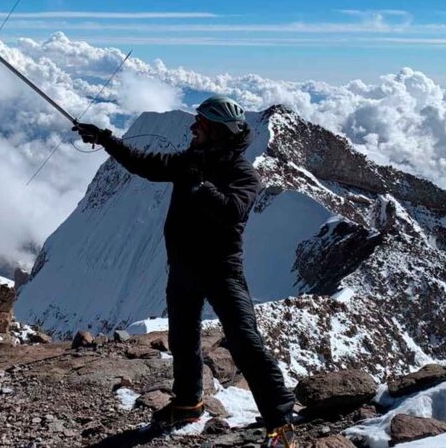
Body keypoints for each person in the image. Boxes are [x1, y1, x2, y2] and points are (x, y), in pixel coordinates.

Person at [73, 96, 297, 448]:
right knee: (182, 339)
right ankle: (189, 402)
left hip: (221, 269)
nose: (193, 129)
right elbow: (146, 164)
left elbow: (233, 211)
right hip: (183, 266)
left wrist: (200, 186)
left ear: (219, 132)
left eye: (201, 125)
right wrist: (104, 138)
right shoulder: (193, 160)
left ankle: (281, 421)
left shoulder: (243, 174)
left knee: (245, 342)